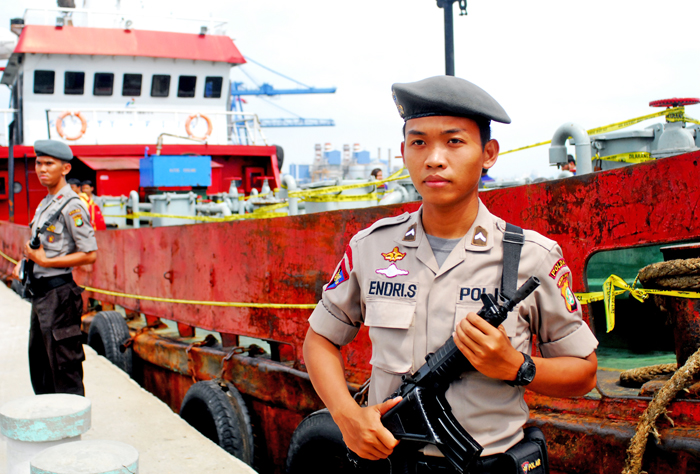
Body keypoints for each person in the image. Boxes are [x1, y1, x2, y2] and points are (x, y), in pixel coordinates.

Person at [303, 76, 598, 472]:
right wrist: (345, 414)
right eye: (418, 142)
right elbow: (320, 337)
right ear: (403, 151)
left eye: (454, 141)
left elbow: (583, 373)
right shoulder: (369, 247)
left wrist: (517, 366)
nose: (434, 158)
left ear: (488, 153)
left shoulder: (532, 257)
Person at [12, 140, 98, 396]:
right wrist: (26, 260)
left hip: (58, 296)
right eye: (39, 163)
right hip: (41, 296)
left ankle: (70, 433)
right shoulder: (47, 203)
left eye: (49, 164)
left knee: (63, 369)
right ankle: (50, 426)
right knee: (40, 367)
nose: (42, 169)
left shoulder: (72, 206)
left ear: (65, 169)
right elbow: (40, 244)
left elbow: (90, 254)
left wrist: (46, 262)